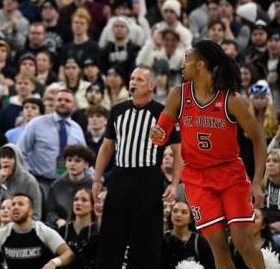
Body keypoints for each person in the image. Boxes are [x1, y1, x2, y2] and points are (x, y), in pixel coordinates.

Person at [152, 39, 268, 269]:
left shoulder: (231, 99)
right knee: (218, 247)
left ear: (200, 65)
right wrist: (157, 133)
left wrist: (256, 182)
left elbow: (259, 138)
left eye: (187, 59)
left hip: (230, 175)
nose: (182, 65)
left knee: (243, 242)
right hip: (196, 178)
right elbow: (162, 132)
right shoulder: (178, 94)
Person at [92, 65, 183, 269]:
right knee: (110, 237)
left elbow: (178, 151)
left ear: (151, 85)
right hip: (120, 177)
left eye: (139, 79)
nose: (133, 82)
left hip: (148, 178)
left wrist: (175, 183)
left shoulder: (163, 113)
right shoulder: (117, 110)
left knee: (147, 240)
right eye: (132, 78)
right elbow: (107, 147)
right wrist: (97, 179)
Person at [0, 193, 75, 269]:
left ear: (30, 211)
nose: (15, 207)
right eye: (13, 204)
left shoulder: (42, 230)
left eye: (20, 204)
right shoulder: (2, 233)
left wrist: (54, 262)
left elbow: (68, 254)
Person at [46, 145, 95, 228]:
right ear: (65, 163)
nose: (72, 164)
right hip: (62, 228)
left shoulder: (93, 185)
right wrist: (57, 220)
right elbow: (50, 212)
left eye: (77, 161)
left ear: (86, 164)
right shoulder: (56, 185)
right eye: (69, 160)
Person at [162, 201, 215, 269]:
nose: (178, 215)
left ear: (190, 219)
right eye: (175, 211)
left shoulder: (200, 241)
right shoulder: (162, 239)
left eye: (184, 212)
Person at [58, 189, 100, 269]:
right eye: (76, 199)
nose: (78, 203)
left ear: (92, 206)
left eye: (84, 200)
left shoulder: (97, 231)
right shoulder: (63, 231)